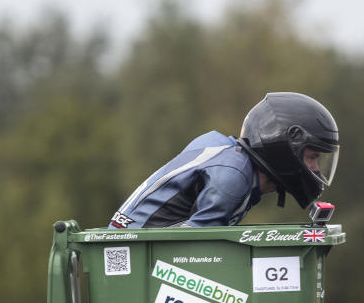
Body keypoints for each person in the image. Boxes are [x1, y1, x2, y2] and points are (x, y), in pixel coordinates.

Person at [108, 92, 339, 229]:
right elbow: (197, 253)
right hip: (135, 259)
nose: (315, 169)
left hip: (130, 248)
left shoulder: (225, 151)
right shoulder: (233, 177)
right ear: (287, 149)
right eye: (312, 157)